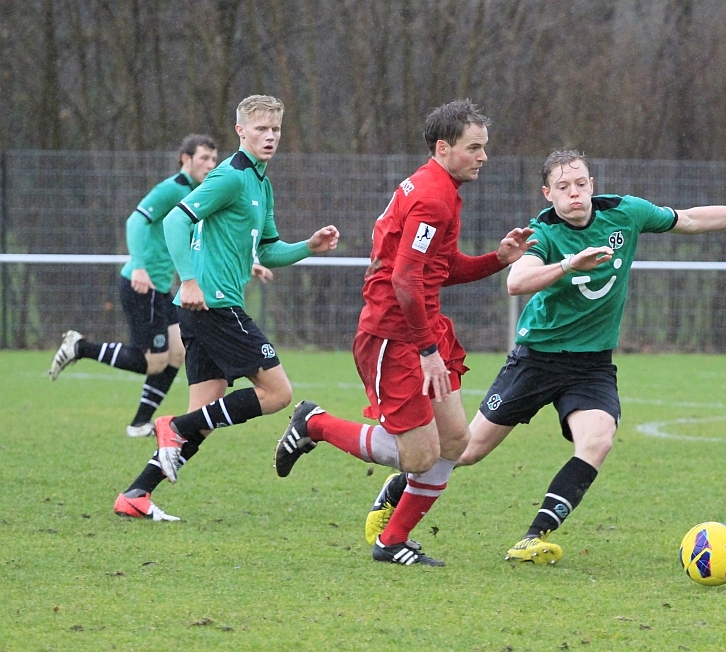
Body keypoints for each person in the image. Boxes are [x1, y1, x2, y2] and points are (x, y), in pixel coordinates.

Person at [363, 149, 726, 565]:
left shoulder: (625, 213)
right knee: (465, 451)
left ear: (592, 184)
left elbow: (691, 219)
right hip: (536, 359)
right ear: (548, 193)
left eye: (580, 184)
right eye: (563, 187)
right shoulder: (543, 232)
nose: (574, 193)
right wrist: (568, 264)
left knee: (597, 440)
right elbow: (516, 282)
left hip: (591, 365)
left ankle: (534, 537)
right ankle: (398, 488)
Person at [272, 99, 536, 566]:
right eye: (474, 147)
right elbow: (405, 280)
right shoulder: (432, 197)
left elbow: (438, 269)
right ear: (443, 148)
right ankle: (314, 424)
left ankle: (391, 541)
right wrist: (427, 351)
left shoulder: (440, 189)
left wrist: (497, 260)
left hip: (424, 328)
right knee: (418, 457)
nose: (483, 156)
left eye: (484, 147)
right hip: (394, 337)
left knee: (454, 443)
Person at [113, 94, 339, 521]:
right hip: (214, 305)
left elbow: (267, 251)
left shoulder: (261, 184)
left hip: (204, 309)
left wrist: (307, 247)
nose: (270, 136)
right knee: (278, 393)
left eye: (275, 129)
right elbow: (174, 220)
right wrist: (190, 280)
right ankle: (172, 427)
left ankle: (136, 494)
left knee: (204, 417)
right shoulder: (231, 176)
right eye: (261, 128)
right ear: (241, 131)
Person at [49, 135, 218, 437]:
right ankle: (80, 347)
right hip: (141, 284)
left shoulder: (195, 193)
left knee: (177, 353)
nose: (210, 165)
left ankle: (139, 424)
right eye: (204, 158)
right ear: (186, 159)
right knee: (151, 362)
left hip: (161, 289)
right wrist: (138, 265)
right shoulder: (172, 188)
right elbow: (135, 221)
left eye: (213, 160)